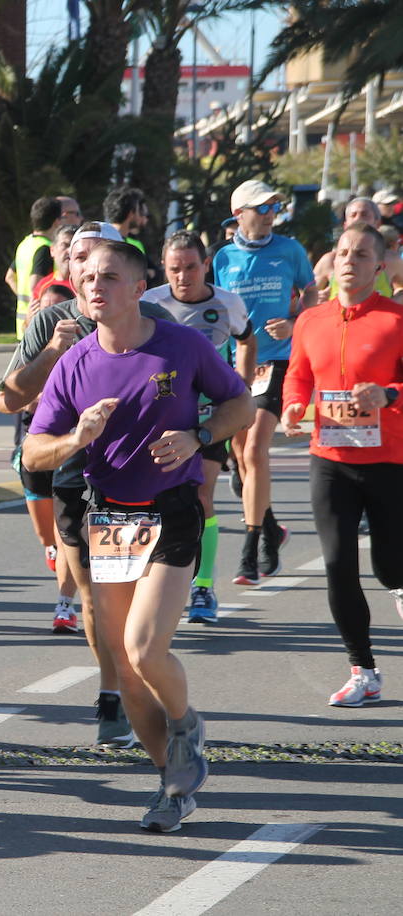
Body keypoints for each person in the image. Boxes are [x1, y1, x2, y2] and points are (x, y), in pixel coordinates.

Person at [24, 239, 253, 832]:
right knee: (124, 670)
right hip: (110, 519)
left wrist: (199, 437)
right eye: (87, 278)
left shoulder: (182, 344)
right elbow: (32, 452)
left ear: (137, 287)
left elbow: (239, 404)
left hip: (172, 510)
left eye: (109, 277)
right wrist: (77, 438)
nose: (94, 286)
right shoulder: (73, 364)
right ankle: (172, 787)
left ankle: (186, 723)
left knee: (145, 648)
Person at [0, 221, 172, 744]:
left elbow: (191, 389)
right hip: (73, 474)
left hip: (141, 474)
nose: (87, 269)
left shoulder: (154, 320)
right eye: (76, 258)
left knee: (142, 592)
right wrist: (52, 352)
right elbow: (7, 399)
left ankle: (141, 677)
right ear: (68, 268)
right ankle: (112, 692)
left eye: (97, 258)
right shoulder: (49, 320)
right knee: (95, 594)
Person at [282, 223, 403, 707]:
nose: (349, 260)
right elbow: (298, 376)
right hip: (329, 458)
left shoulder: (396, 321)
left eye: (361, 253)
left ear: (380, 265)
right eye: (342, 252)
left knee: (390, 567)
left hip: (389, 460)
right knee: (338, 565)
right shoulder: (310, 320)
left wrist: (388, 393)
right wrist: (293, 406)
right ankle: (363, 670)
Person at [211, 179, 317, 586]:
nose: (271, 214)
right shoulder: (222, 257)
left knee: (254, 449)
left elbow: (311, 292)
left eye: (275, 207)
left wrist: (295, 323)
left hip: (275, 362)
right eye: (262, 208)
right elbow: (215, 310)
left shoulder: (289, 250)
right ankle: (273, 527)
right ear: (239, 215)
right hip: (234, 365)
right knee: (240, 457)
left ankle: (251, 551)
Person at [145, 231, 255, 621]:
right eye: (174, 268)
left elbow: (246, 339)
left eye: (191, 267)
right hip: (162, 416)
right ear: (164, 268)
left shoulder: (228, 304)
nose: (183, 276)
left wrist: (241, 387)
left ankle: (204, 587)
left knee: (203, 492)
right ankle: (154, 577)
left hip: (210, 413)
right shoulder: (149, 303)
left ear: (205, 265)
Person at [311, 197, 403, 300]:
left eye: (364, 214)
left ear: (377, 223)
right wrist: (317, 299)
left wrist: (395, 302)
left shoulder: (391, 259)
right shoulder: (329, 260)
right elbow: (307, 295)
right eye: (353, 215)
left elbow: (401, 289)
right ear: (345, 225)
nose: (358, 219)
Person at [8, 197, 64, 338]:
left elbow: (9, 277)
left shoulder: (25, 244)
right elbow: (35, 285)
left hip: (24, 322)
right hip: (38, 324)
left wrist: (25, 300)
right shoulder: (45, 249)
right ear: (57, 222)